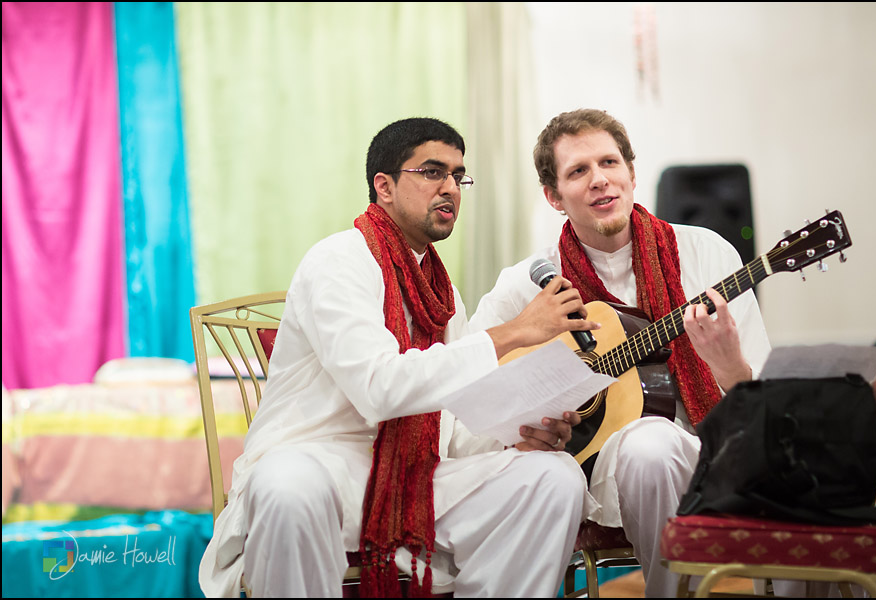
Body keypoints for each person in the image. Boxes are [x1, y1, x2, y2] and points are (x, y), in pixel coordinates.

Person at [198, 117, 605, 598]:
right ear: (384, 186)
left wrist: (520, 433)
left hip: (417, 478)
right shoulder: (337, 261)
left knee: (552, 478)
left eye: (458, 176)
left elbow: (451, 429)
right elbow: (379, 388)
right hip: (322, 467)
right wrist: (513, 332)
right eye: (432, 171)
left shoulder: (441, 290)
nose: (450, 187)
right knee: (288, 485)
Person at [470, 108, 772, 597]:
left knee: (655, 443)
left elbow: (761, 404)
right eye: (578, 171)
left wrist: (728, 365)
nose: (599, 179)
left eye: (609, 163)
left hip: (707, 451)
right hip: (588, 471)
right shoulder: (527, 284)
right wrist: (521, 430)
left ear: (631, 173)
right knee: (645, 446)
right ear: (553, 197)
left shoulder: (706, 254)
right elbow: (472, 381)